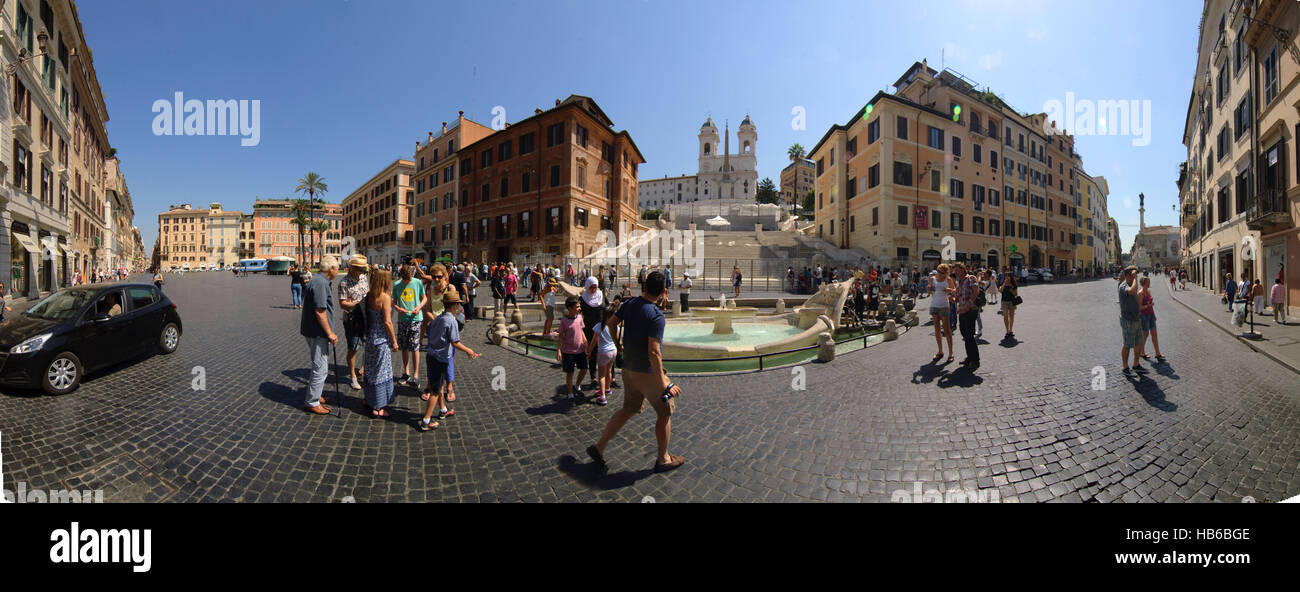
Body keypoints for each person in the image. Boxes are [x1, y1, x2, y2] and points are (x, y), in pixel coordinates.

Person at [586, 270, 683, 473]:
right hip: (647, 372)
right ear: (664, 291)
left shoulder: (629, 304)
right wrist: (664, 383)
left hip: (628, 369)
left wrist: (618, 344)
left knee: (628, 409)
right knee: (665, 411)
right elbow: (654, 351)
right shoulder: (656, 315)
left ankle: (599, 447)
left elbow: (611, 323)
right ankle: (663, 458)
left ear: (644, 286)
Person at [418, 288, 480, 431]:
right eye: (458, 304)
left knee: (439, 385)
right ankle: (426, 421)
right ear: (454, 306)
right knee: (434, 390)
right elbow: (455, 342)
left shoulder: (439, 317)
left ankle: (443, 410)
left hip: (431, 355)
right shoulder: (451, 321)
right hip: (439, 359)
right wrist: (469, 350)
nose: (458, 307)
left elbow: (429, 329)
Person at [300, 255, 340, 414]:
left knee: (320, 365)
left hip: (313, 330)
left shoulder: (318, 280)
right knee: (321, 367)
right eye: (337, 267)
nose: (337, 270)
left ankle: (316, 394)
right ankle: (312, 402)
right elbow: (320, 311)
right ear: (331, 269)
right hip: (317, 332)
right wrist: (330, 333)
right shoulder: (321, 283)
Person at [362, 268, 399, 417]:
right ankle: (378, 407)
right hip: (381, 339)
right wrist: (394, 341)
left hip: (370, 337)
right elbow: (388, 322)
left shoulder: (370, 295)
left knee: (370, 370)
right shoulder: (385, 297)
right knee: (381, 372)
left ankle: (369, 399)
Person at [337, 255, 370, 391]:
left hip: (366, 317)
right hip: (352, 319)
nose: (363, 272)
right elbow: (342, 303)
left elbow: (367, 293)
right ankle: (353, 376)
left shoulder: (363, 278)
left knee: (368, 344)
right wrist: (356, 304)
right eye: (361, 269)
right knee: (354, 347)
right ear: (353, 268)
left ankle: (363, 368)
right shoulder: (344, 282)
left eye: (364, 270)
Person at [393, 264, 427, 390]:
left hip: (416, 319)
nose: (407, 282)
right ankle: (406, 372)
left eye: (409, 279)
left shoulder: (417, 282)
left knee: (415, 347)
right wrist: (398, 309)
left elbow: (424, 298)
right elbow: (393, 302)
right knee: (404, 347)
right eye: (405, 280)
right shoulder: (397, 285)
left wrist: (418, 308)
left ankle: (416, 374)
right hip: (403, 319)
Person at [1118, 266, 1147, 377]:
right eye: (1134, 274)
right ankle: (1125, 367)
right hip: (1128, 320)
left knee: (1139, 342)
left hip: (1136, 318)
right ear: (1129, 275)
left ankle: (1136, 364)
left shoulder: (1132, 284)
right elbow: (1133, 291)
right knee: (1127, 344)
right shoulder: (1123, 286)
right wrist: (1135, 278)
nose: (1136, 276)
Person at [557, 296, 588, 399]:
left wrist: (586, 342)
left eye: (579, 306)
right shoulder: (564, 320)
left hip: (580, 349)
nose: (579, 308)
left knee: (584, 369)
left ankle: (577, 384)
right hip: (568, 351)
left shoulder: (579, 317)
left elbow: (581, 330)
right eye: (577, 307)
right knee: (570, 373)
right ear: (570, 308)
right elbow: (560, 336)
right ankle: (570, 393)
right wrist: (558, 350)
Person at [588, 306, 620, 406]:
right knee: (609, 371)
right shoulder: (616, 326)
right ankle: (607, 389)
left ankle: (602, 397)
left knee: (601, 375)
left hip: (603, 352)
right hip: (613, 351)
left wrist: (589, 351)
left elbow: (593, 341)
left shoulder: (599, 326)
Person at [952, 262, 981, 371]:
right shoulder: (959, 282)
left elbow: (975, 292)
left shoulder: (971, 278)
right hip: (962, 310)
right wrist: (953, 298)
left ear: (963, 270)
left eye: (957, 270)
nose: (955, 272)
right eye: (955, 270)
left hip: (970, 310)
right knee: (965, 335)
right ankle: (969, 357)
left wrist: (968, 305)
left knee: (969, 335)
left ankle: (975, 360)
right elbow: (958, 297)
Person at [1136, 275, 1165, 363]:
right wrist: (1147, 306)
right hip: (1143, 316)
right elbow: (1139, 307)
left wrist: (1154, 314)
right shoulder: (1140, 293)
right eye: (1148, 282)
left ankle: (1157, 353)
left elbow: (1151, 304)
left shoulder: (1148, 291)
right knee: (1145, 335)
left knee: (1154, 334)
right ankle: (1142, 351)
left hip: (1151, 315)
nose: (1150, 283)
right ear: (1144, 283)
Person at [928, 264, 954, 362]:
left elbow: (955, 290)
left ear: (946, 272)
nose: (941, 274)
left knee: (947, 330)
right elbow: (929, 289)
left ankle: (951, 352)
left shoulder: (948, 279)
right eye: (939, 271)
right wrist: (928, 288)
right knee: (937, 330)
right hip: (934, 305)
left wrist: (950, 290)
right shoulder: (932, 278)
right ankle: (940, 351)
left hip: (944, 305)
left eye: (943, 272)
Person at [1000, 272, 1018, 339]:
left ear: (1011, 277)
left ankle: (1010, 330)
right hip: (1004, 301)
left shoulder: (1014, 284)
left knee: (1011, 316)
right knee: (1005, 315)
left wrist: (1012, 290)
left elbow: (1016, 294)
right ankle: (1007, 330)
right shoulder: (1003, 283)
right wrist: (1004, 283)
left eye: (1008, 276)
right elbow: (1000, 290)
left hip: (1012, 301)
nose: (1007, 277)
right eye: (1006, 276)